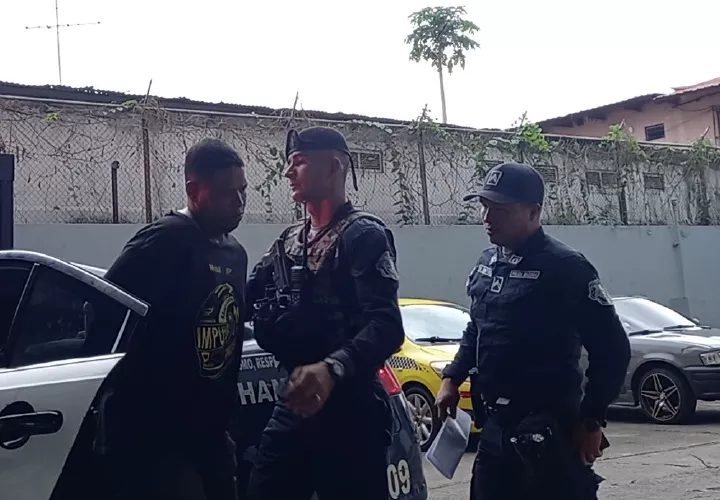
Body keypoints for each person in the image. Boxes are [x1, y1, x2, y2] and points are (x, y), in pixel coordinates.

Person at [436, 162, 631, 500]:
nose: (487, 218)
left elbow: (612, 349)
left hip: (550, 433)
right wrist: (452, 378)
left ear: (533, 212)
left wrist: (592, 420)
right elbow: (478, 327)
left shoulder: (567, 268)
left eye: (500, 210)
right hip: (496, 431)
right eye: (484, 206)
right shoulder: (488, 263)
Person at [244, 126, 405, 500]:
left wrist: (332, 368)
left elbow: (386, 326)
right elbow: (244, 298)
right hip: (296, 402)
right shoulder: (289, 241)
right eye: (289, 163)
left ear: (333, 167)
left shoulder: (363, 235)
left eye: (299, 162)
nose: (288, 172)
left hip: (350, 412)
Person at [100, 138, 249, 500]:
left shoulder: (235, 254)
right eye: (227, 192)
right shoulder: (163, 241)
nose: (239, 201)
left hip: (212, 436)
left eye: (243, 190)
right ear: (194, 191)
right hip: (157, 439)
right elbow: (105, 311)